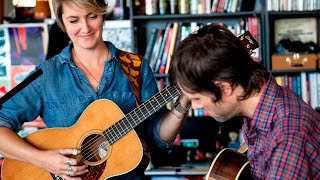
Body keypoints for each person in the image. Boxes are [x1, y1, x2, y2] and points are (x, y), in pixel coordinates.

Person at [0, 0, 190, 179]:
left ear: (103, 15)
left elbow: (157, 137)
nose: (85, 28)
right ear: (63, 23)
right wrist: (44, 160)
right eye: (74, 20)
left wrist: (183, 103)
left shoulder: (135, 67)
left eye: (92, 17)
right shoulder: (47, 75)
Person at [169, 23, 320, 179]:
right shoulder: (262, 108)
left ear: (225, 88)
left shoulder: (288, 138)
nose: (194, 106)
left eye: (197, 98)